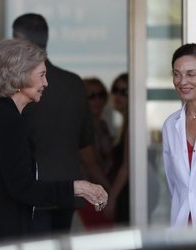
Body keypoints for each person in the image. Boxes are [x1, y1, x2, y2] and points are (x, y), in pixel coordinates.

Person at [0, 39, 108, 249]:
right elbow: (23, 188)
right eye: (41, 75)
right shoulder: (6, 120)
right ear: (19, 78)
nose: (46, 83)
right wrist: (78, 188)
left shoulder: (3, 114)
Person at [12, 13, 109, 234]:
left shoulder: (20, 86)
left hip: (33, 190)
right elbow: (86, 143)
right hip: (68, 187)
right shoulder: (74, 83)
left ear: (18, 40)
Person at [162, 43, 196, 227]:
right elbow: (173, 184)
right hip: (183, 229)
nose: (182, 81)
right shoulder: (170, 125)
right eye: (177, 74)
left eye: (191, 74)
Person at [78, 77, 114, 230]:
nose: (97, 100)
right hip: (91, 195)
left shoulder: (103, 125)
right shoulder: (82, 126)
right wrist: (111, 194)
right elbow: (91, 165)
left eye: (101, 95)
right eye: (91, 96)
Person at [104, 73, 129, 226]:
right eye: (115, 90)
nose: (118, 95)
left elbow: (127, 166)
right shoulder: (124, 124)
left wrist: (111, 198)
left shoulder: (132, 124)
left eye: (125, 92)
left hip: (129, 193)